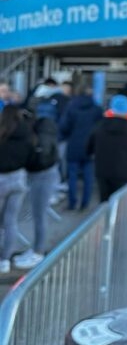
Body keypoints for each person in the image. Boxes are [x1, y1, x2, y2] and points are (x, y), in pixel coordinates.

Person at [19, 110, 61, 269]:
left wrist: (27, 160)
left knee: (39, 215)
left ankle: (38, 252)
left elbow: (41, 158)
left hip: (41, 176)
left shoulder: (38, 138)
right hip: (44, 175)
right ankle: (37, 250)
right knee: (39, 214)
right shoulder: (44, 131)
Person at [86, 95, 127, 202]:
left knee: (104, 200)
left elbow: (89, 146)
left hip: (102, 169)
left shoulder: (100, 125)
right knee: (120, 202)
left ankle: (105, 218)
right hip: (123, 170)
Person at [0, 106, 34, 274]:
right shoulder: (26, 132)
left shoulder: (2, 132)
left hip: (1, 179)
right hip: (19, 178)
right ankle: (5, 260)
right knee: (11, 221)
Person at [60, 87, 103, 210]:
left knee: (72, 176)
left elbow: (64, 127)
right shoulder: (97, 109)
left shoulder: (71, 108)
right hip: (90, 147)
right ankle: (85, 203)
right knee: (88, 176)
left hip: (73, 144)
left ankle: (72, 203)